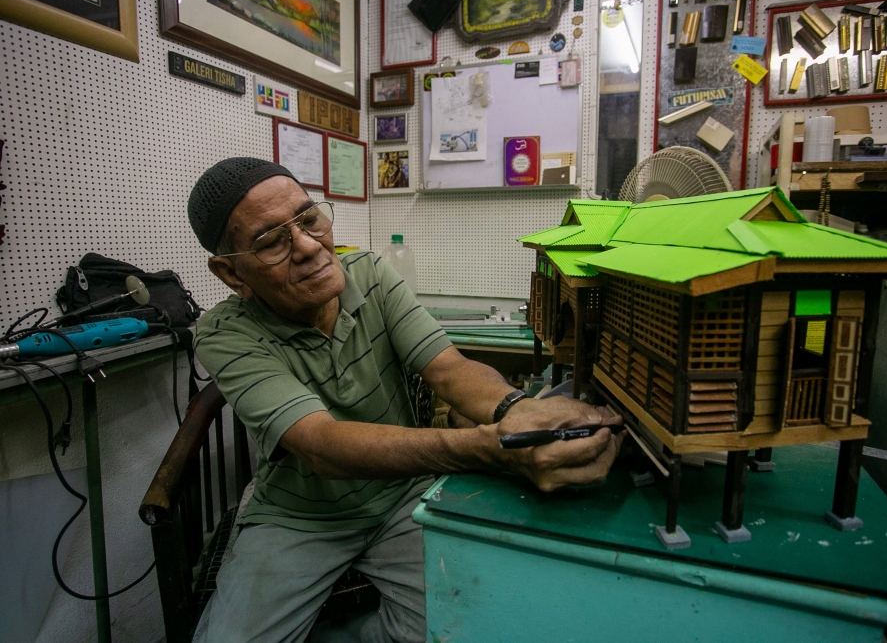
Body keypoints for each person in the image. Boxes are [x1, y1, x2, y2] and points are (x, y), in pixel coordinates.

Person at [186, 158, 623, 642]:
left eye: (309, 220)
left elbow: (450, 370)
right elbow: (322, 445)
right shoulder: (223, 333)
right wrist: (486, 447)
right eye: (272, 241)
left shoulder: (370, 274)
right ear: (231, 274)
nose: (310, 248)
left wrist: (518, 412)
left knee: (474, 620)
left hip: (401, 497)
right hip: (301, 517)